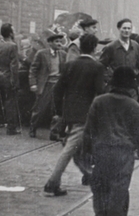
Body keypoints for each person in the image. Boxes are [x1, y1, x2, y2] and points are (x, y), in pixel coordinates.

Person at [82, 66, 139, 216]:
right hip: (123, 154)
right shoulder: (134, 106)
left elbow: (89, 130)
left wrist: (86, 152)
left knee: (101, 189)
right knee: (119, 192)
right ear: (131, 86)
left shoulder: (99, 101)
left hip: (101, 151)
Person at [43, 34, 105, 196]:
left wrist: (59, 112)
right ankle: (52, 183)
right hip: (86, 115)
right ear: (94, 48)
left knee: (75, 147)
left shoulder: (69, 65)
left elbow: (58, 90)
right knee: (70, 148)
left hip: (69, 113)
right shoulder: (97, 67)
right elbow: (100, 92)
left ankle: (90, 175)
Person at [28, 32, 67, 139]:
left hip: (58, 85)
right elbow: (33, 69)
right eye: (56, 42)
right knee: (40, 108)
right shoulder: (41, 53)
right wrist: (33, 83)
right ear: (50, 43)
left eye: (60, 41)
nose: (59, 44)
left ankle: (54, 133)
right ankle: (33, 128)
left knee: (57, 110)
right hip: (45, 85)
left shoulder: (63, 54)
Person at [0, 23, 21, 135]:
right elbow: (14, 66)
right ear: (10, 33)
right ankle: (11, 128)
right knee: (10, 103)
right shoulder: (13, 46)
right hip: (8, 77)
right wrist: (15, 81)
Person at [100, 18, 139, 92]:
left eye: (129, 28)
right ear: (119, 29)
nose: (127, 31)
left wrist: (138, 84)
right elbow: (101, 66)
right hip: (115, 87)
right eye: (124, 28)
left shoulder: (135, 46)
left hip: (131, 87)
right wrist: (109, 79)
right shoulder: (111, 47)